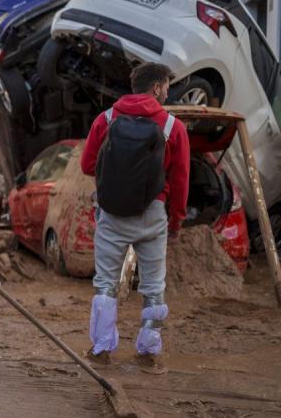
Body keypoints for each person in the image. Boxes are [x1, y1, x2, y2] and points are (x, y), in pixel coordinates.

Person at [80, 62, 190, 373]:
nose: (168, 91)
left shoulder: (106, 118)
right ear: (156, 88)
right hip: (153, 213)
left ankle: (101, 350)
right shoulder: (173, 127)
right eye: (166, 85)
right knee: (154, 286)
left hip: (112, 211)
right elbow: (181, 180)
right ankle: (148, 352)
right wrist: (176, 221)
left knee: (105, 284)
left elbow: (88, 165)